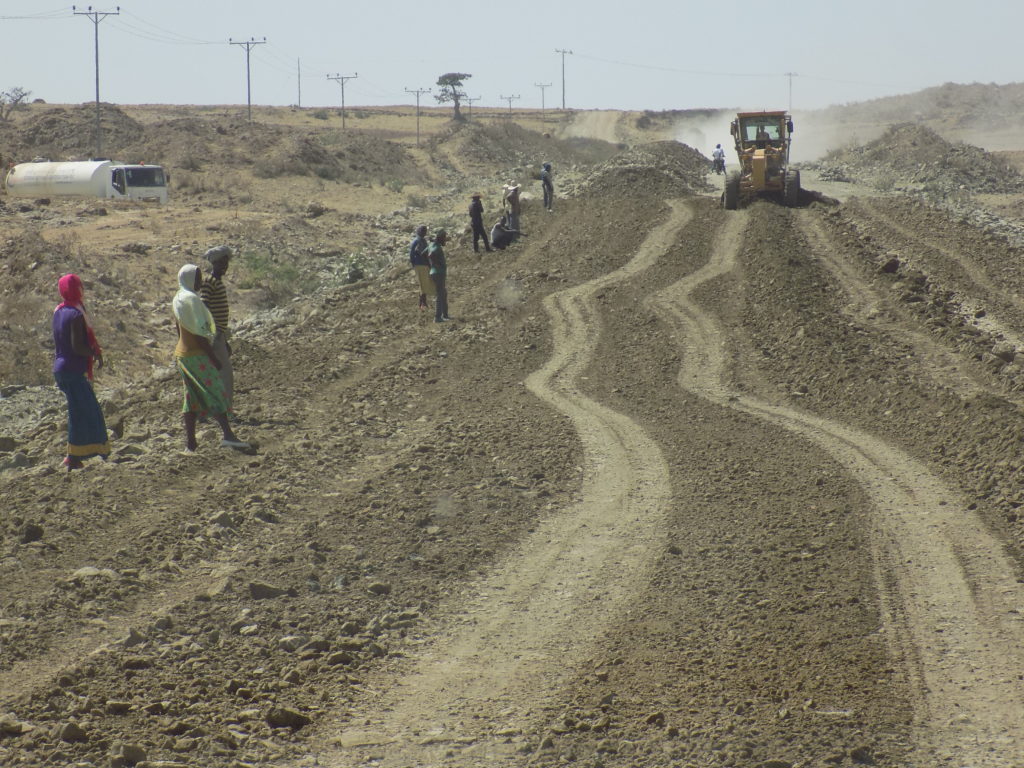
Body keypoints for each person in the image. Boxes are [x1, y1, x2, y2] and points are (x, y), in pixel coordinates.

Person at [173, 264, 250, 453]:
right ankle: (228, 436)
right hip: (197, 354)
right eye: (198, 278)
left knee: (191, 398)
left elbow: (179, 328)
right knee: (216, 391)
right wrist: (213, 357)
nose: (201, 281)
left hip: (183, 353)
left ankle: (191, 444)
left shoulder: (178, 298)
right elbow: (199, 334)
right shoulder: (192, 300)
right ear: (191, 279)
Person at [52, 273, 110, 470]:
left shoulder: (59, 311)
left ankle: (86, 452)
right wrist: (94, 352)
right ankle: (76, 455)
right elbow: (77, 347)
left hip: (60, 369)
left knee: (81, 409)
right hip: (72, 369)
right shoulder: (76, 314)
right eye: (80, 287)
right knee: (85, 411)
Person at [200, 245, 234, 411]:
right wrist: (212, 335)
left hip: (218, 334)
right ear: (215, 263)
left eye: (226, 263)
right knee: (225, 373)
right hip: (214, 335)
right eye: (222, 263)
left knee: (218, 373)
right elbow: (204, 307)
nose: (225, 266)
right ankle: (224, 410)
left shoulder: (216, 282)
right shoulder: (209, 282)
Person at [426, 229, 450, 323]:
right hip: (438, 273)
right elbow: (431, 255)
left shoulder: (432, 245)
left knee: (443, 293)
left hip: (435, 272)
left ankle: (445, 315)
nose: (445, 240)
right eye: (444, 238)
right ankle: (437, 317)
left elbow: (425, 253)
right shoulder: (436, 247)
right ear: (440, 238)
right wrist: (436, 264)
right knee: (440, 294)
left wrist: (431, 265)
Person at [409, 225, 434, 310]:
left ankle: (422, 303)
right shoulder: (418, 241)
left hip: (423, 264)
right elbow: (412, 254)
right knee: (423, 284)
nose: (424, 232)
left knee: (423, 284)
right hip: (420, 265)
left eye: (425, 231)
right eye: (423, 231)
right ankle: (423, 303)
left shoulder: (422, 241)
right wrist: (414, 263)